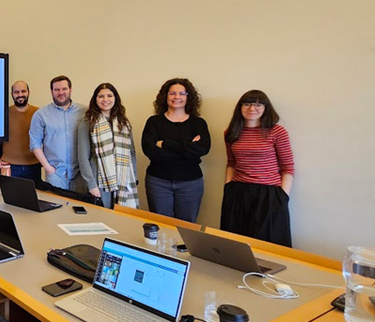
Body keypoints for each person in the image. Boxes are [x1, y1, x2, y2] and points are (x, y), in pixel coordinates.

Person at [221, 90, 295, 246]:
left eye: (258, 105)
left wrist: (282, 197)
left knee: (268, 242)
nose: (252, 109)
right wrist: (228, 187)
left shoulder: (277, 131)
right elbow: (231, 163)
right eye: (247, 104)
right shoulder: (231, 132)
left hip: (268, 194)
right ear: (240, 107)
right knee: (236, 242)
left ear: (266, 108)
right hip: (238, 192)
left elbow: (287, 167)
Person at [140, 78, 211, 223]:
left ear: (188, 97)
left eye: (182, 93)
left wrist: (165, 144)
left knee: (186, 226)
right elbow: (150, 150)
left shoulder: (198, 123)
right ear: (165, 96)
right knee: (161, 225)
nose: (177, 97)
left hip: (190, 183)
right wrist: (188, 149)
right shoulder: (154, 122)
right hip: (158, 182)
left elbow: (203, 148)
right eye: (172, 93)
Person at [77, 83, 139, 209]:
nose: (105, 99)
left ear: (115, 98)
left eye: (109, 96)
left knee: (122, 216)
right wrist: (91, 184)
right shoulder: (88, 123)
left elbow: (131, 152)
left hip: (123, 177)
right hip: (98, 178)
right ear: (95, 100)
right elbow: (83, 156)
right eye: (101, 96)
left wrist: (134, 176)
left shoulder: (124, 123)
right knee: (103, 214)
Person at [29, 75, 85, 193]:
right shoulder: (41, 115)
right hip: (56, 175)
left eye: (64, 89)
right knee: (56, 204)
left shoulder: (84, 111)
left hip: (80, 174)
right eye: (57, 89)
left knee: (80, 204)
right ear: (51, 91)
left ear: (70, 90)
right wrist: (48, 168)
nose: (61, 92)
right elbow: (35, 144)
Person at [0, 80, 41, 183]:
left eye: (23, 91)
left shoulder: (38, 113)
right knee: (9, 193)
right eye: (16, 92)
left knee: (34, 193)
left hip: (34, 166)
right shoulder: (3, 113)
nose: (20, 95)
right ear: (12, 94)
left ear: (29, 93)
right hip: (9, 165)